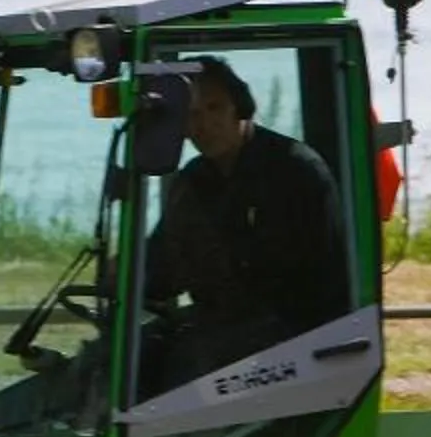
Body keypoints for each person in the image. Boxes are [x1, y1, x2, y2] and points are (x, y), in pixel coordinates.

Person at [140, 56, 348, 390]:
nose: (203, 125)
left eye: (214, 108)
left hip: (293, 335)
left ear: (241, 107)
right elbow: (164, 263)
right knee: (134, 352)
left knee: (185, 364)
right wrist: (126, 275)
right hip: (225, 325)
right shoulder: (193, 181)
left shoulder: (293, 171)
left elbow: (293, 282)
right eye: (192, 114)